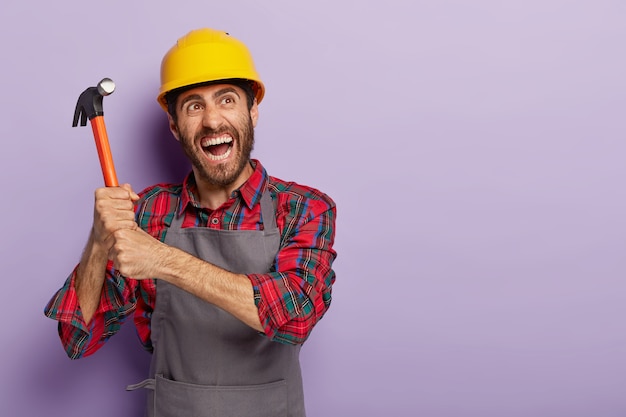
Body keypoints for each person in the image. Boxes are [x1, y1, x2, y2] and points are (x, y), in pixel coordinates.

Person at [44, 28, 337, 417]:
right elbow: (77, 339)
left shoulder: (303, 208)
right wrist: (99, 242)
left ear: (253, 111)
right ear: (174, 126)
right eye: (193, 106)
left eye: (227, 100)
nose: (213, 121)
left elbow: (295, 316)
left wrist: (163, 260)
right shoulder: (147, 212)